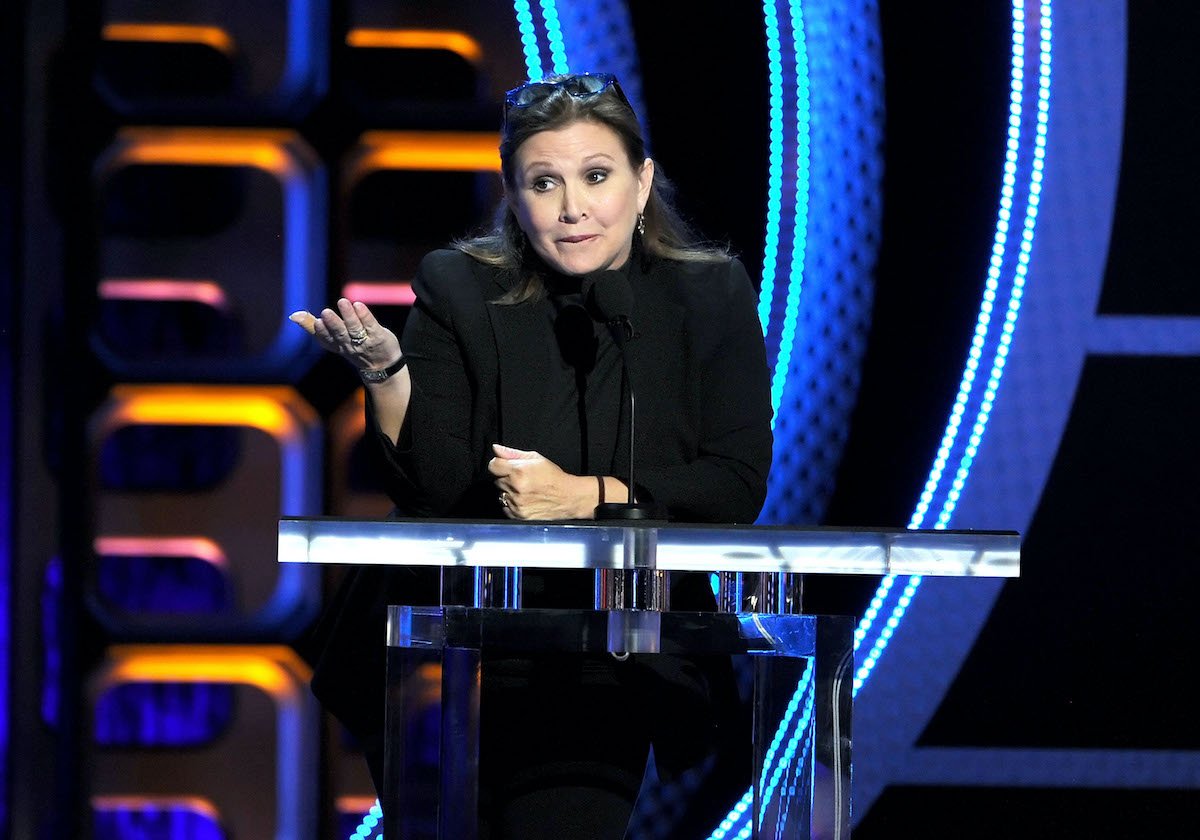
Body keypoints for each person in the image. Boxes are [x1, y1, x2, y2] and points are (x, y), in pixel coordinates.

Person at [291, 72, 773, 838]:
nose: (573, 207)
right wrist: (387, 375)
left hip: (611, 649)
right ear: (513, 195)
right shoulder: (459, 289)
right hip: (447, 641)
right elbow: (435, 489)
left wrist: (586, 497)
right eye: (544, 183)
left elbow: (734, 485)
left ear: (642, 182)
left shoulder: (706, 296)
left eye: (596, 176)